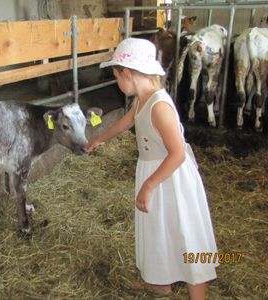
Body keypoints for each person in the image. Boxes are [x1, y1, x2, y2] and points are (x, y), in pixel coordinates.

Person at [86, 38, 218, 300]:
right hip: (154, 172)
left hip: (171, 179)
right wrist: (99, 138)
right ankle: (160, 281)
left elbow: (178, 153)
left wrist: (149, 185)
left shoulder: (159, 106)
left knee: (183, 229)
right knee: (158, 227)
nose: (117, 83)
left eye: (116, 77)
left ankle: (198, 292)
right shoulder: (141, 100)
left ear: (128, 74)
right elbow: (125, 122)